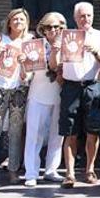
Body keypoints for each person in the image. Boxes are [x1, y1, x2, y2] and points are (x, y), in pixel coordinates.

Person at [58, 1, 100, 188]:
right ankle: (70, 174)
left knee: (92, 132)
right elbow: (57, 64)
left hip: (92, 86)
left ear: (93, 16)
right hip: (71, 87)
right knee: (70, 132)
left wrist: (95, 52)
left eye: (88, 15)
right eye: (81, 15)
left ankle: (89, 169)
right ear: (75, 18)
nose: (85, 19)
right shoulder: (66, 36)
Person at [0, 8, 32, 186]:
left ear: (26, 23)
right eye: (15, 19)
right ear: (9, 22)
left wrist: (24, 63)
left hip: (19, 89)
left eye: (21, 20)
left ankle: (13, 170)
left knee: (16, 132)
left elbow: (29, 73)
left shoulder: (29, 41)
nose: (18, 22)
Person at [22, 12, 66, 187]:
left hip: (60, 94)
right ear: (43, 29)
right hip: (38, 93)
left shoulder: (69, 45)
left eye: (57, 27)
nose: (53, 30)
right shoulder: (34, 46)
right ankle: (31, 172)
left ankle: (51, 170)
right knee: (34, 134)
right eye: (49, 27)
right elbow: (26, 75)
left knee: (58, 135)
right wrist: (22, 63)